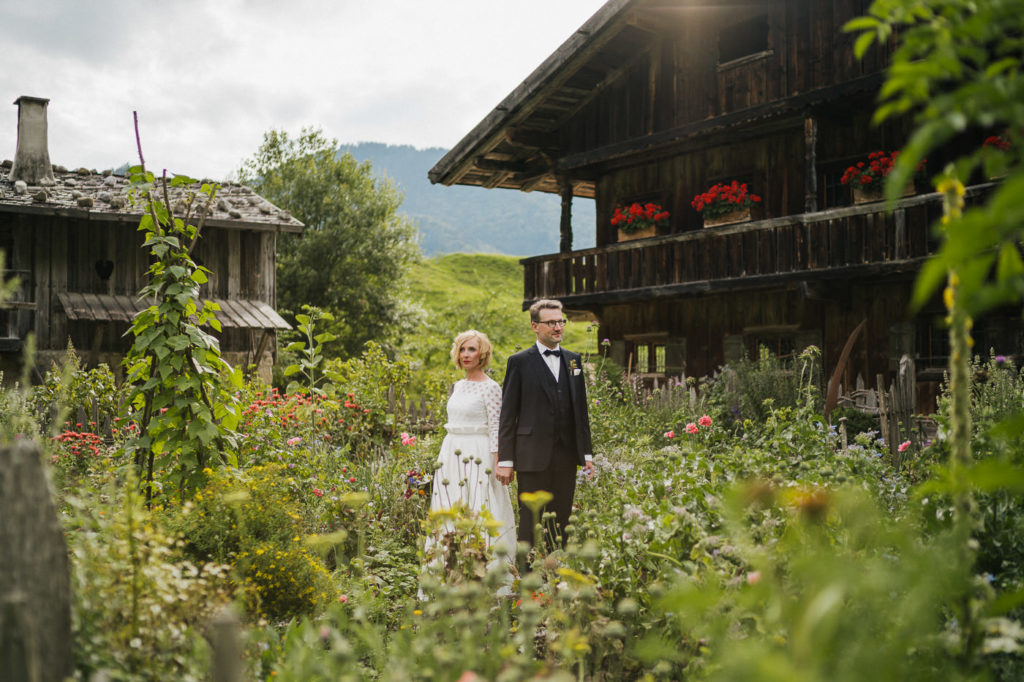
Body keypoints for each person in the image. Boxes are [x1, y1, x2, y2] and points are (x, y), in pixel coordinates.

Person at [497, 299, 594, 553]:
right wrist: (505, 460)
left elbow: (580, 411)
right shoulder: (519, 362)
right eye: (551, 322)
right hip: (531, 455)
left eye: (561, 321)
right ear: (534, 326)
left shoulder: (574, 361)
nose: (558, 327)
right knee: (531, 520)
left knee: (562, 519)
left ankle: (556, 574)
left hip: (565, 455)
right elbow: (508, 415)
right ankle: (528, 579)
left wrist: (586, 454)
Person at [426, 330, 516, 559]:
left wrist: (499, 463)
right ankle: (449, 565)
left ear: (482, 354)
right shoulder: (458, 386)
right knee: (451, 506)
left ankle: (483, 567)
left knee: (478, 506)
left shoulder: (491, 387)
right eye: (462, 349)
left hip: (478, 453)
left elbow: (497, 428)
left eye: (472, 349)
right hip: (451, 452)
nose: (466, 354)